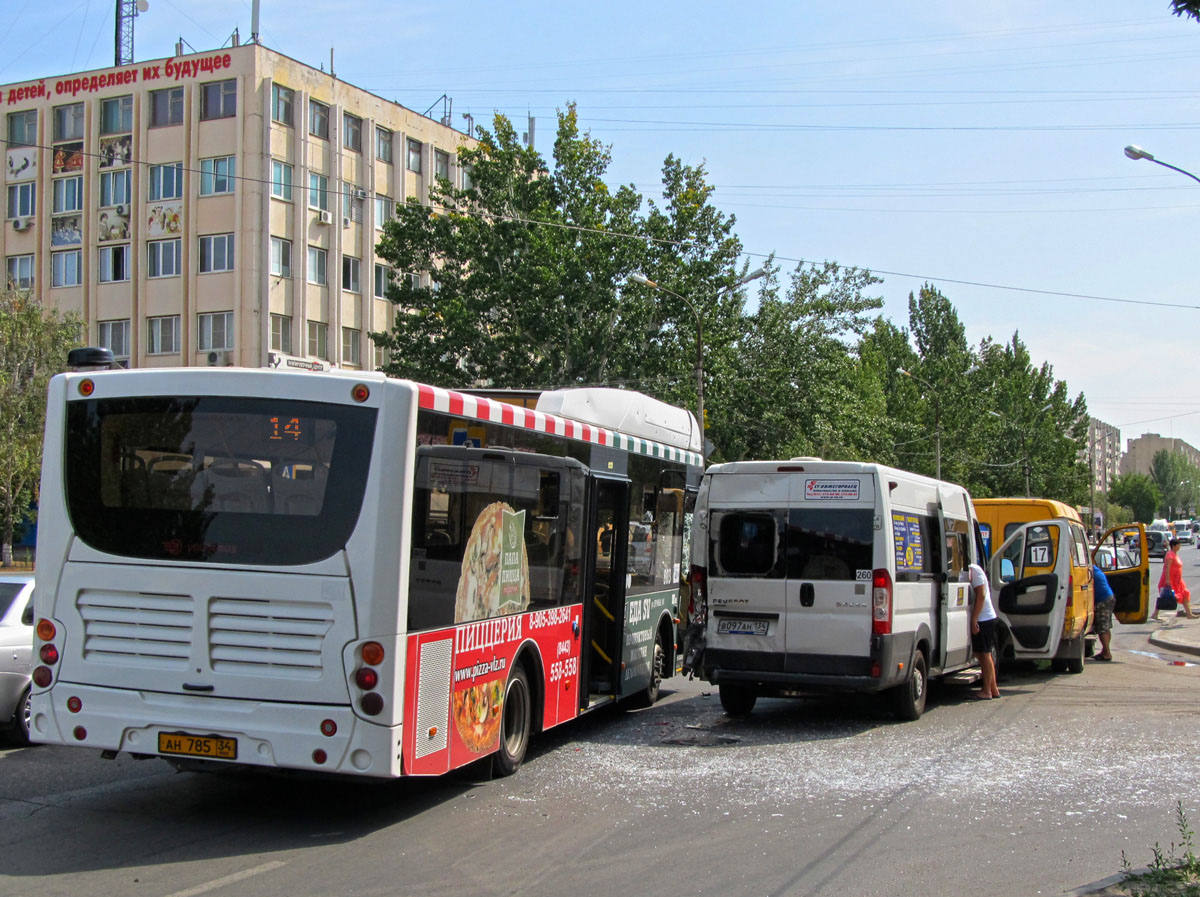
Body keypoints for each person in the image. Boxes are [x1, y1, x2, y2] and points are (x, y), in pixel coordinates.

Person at [968, 560, 1000, 699]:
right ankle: (993, 689)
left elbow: (981, 594)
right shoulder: (972, 571)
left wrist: (974, 619)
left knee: (984, 654)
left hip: (985, 618)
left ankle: (987, 691)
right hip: (984, 618)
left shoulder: (974, 570)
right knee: (982, 654)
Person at [1159, 537, 1197, 620]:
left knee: (1184, 594)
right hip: (1171, 580)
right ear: (1174, 546)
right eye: (1178, 545)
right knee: (1166, 597)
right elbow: (1167, 568)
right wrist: (1168, 580)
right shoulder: (1170, 555)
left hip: (1178, 580)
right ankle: (1189, 614)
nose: (1180, 546)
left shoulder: (1174, 554)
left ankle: (1189, 614)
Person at [1091, 564, 1115, 661]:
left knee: (1102, 628)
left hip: (1102, 600)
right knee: (1106, 626)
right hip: (1109, 597)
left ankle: (1107, 653)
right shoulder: (1095, 569)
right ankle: (1105, 651)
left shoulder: (1088, 570)